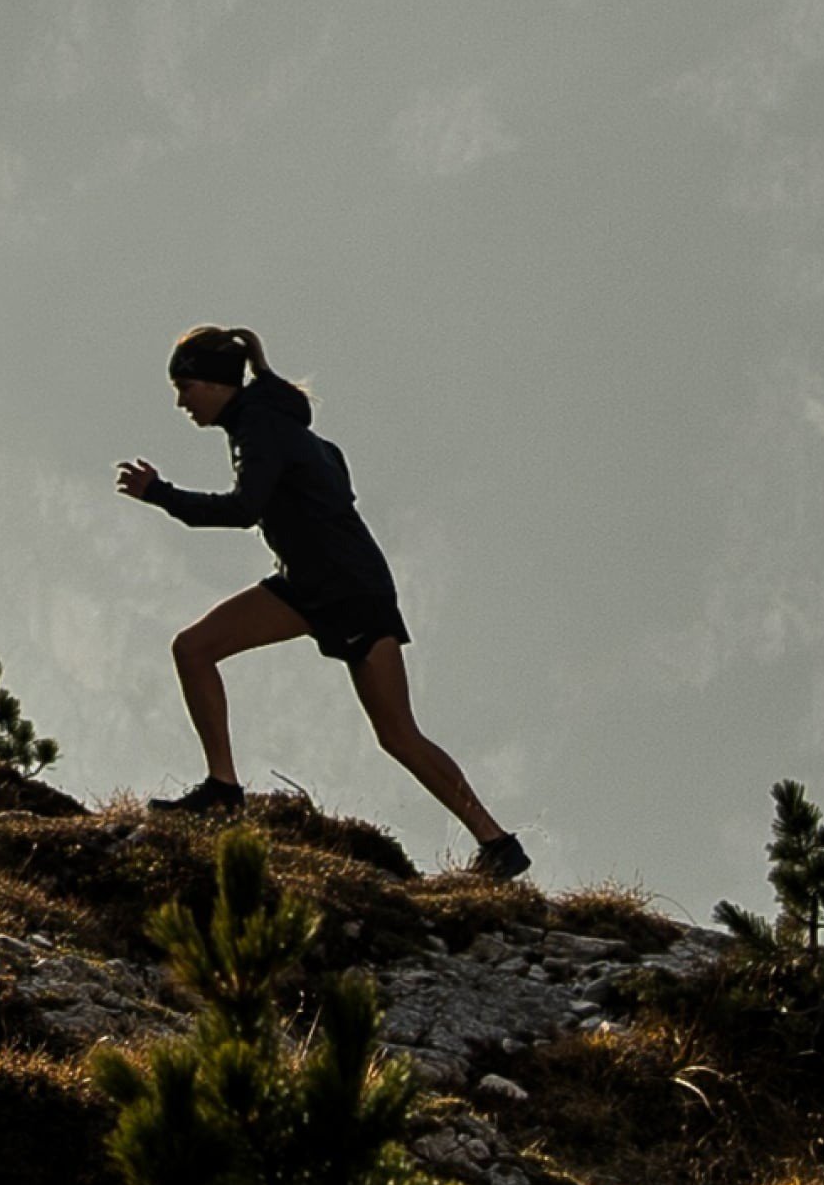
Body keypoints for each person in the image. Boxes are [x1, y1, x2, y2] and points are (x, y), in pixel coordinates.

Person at [117, 324, 528, 878]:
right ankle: (223, 791)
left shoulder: (260, 426)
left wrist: (160, 494)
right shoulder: (273, 424)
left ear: (215, 383)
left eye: (184, 387)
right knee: (195, 649)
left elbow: (244, 510)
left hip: (343, 589)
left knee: (394, 732)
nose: (181, 402)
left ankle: (497, 844)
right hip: (324, 583)